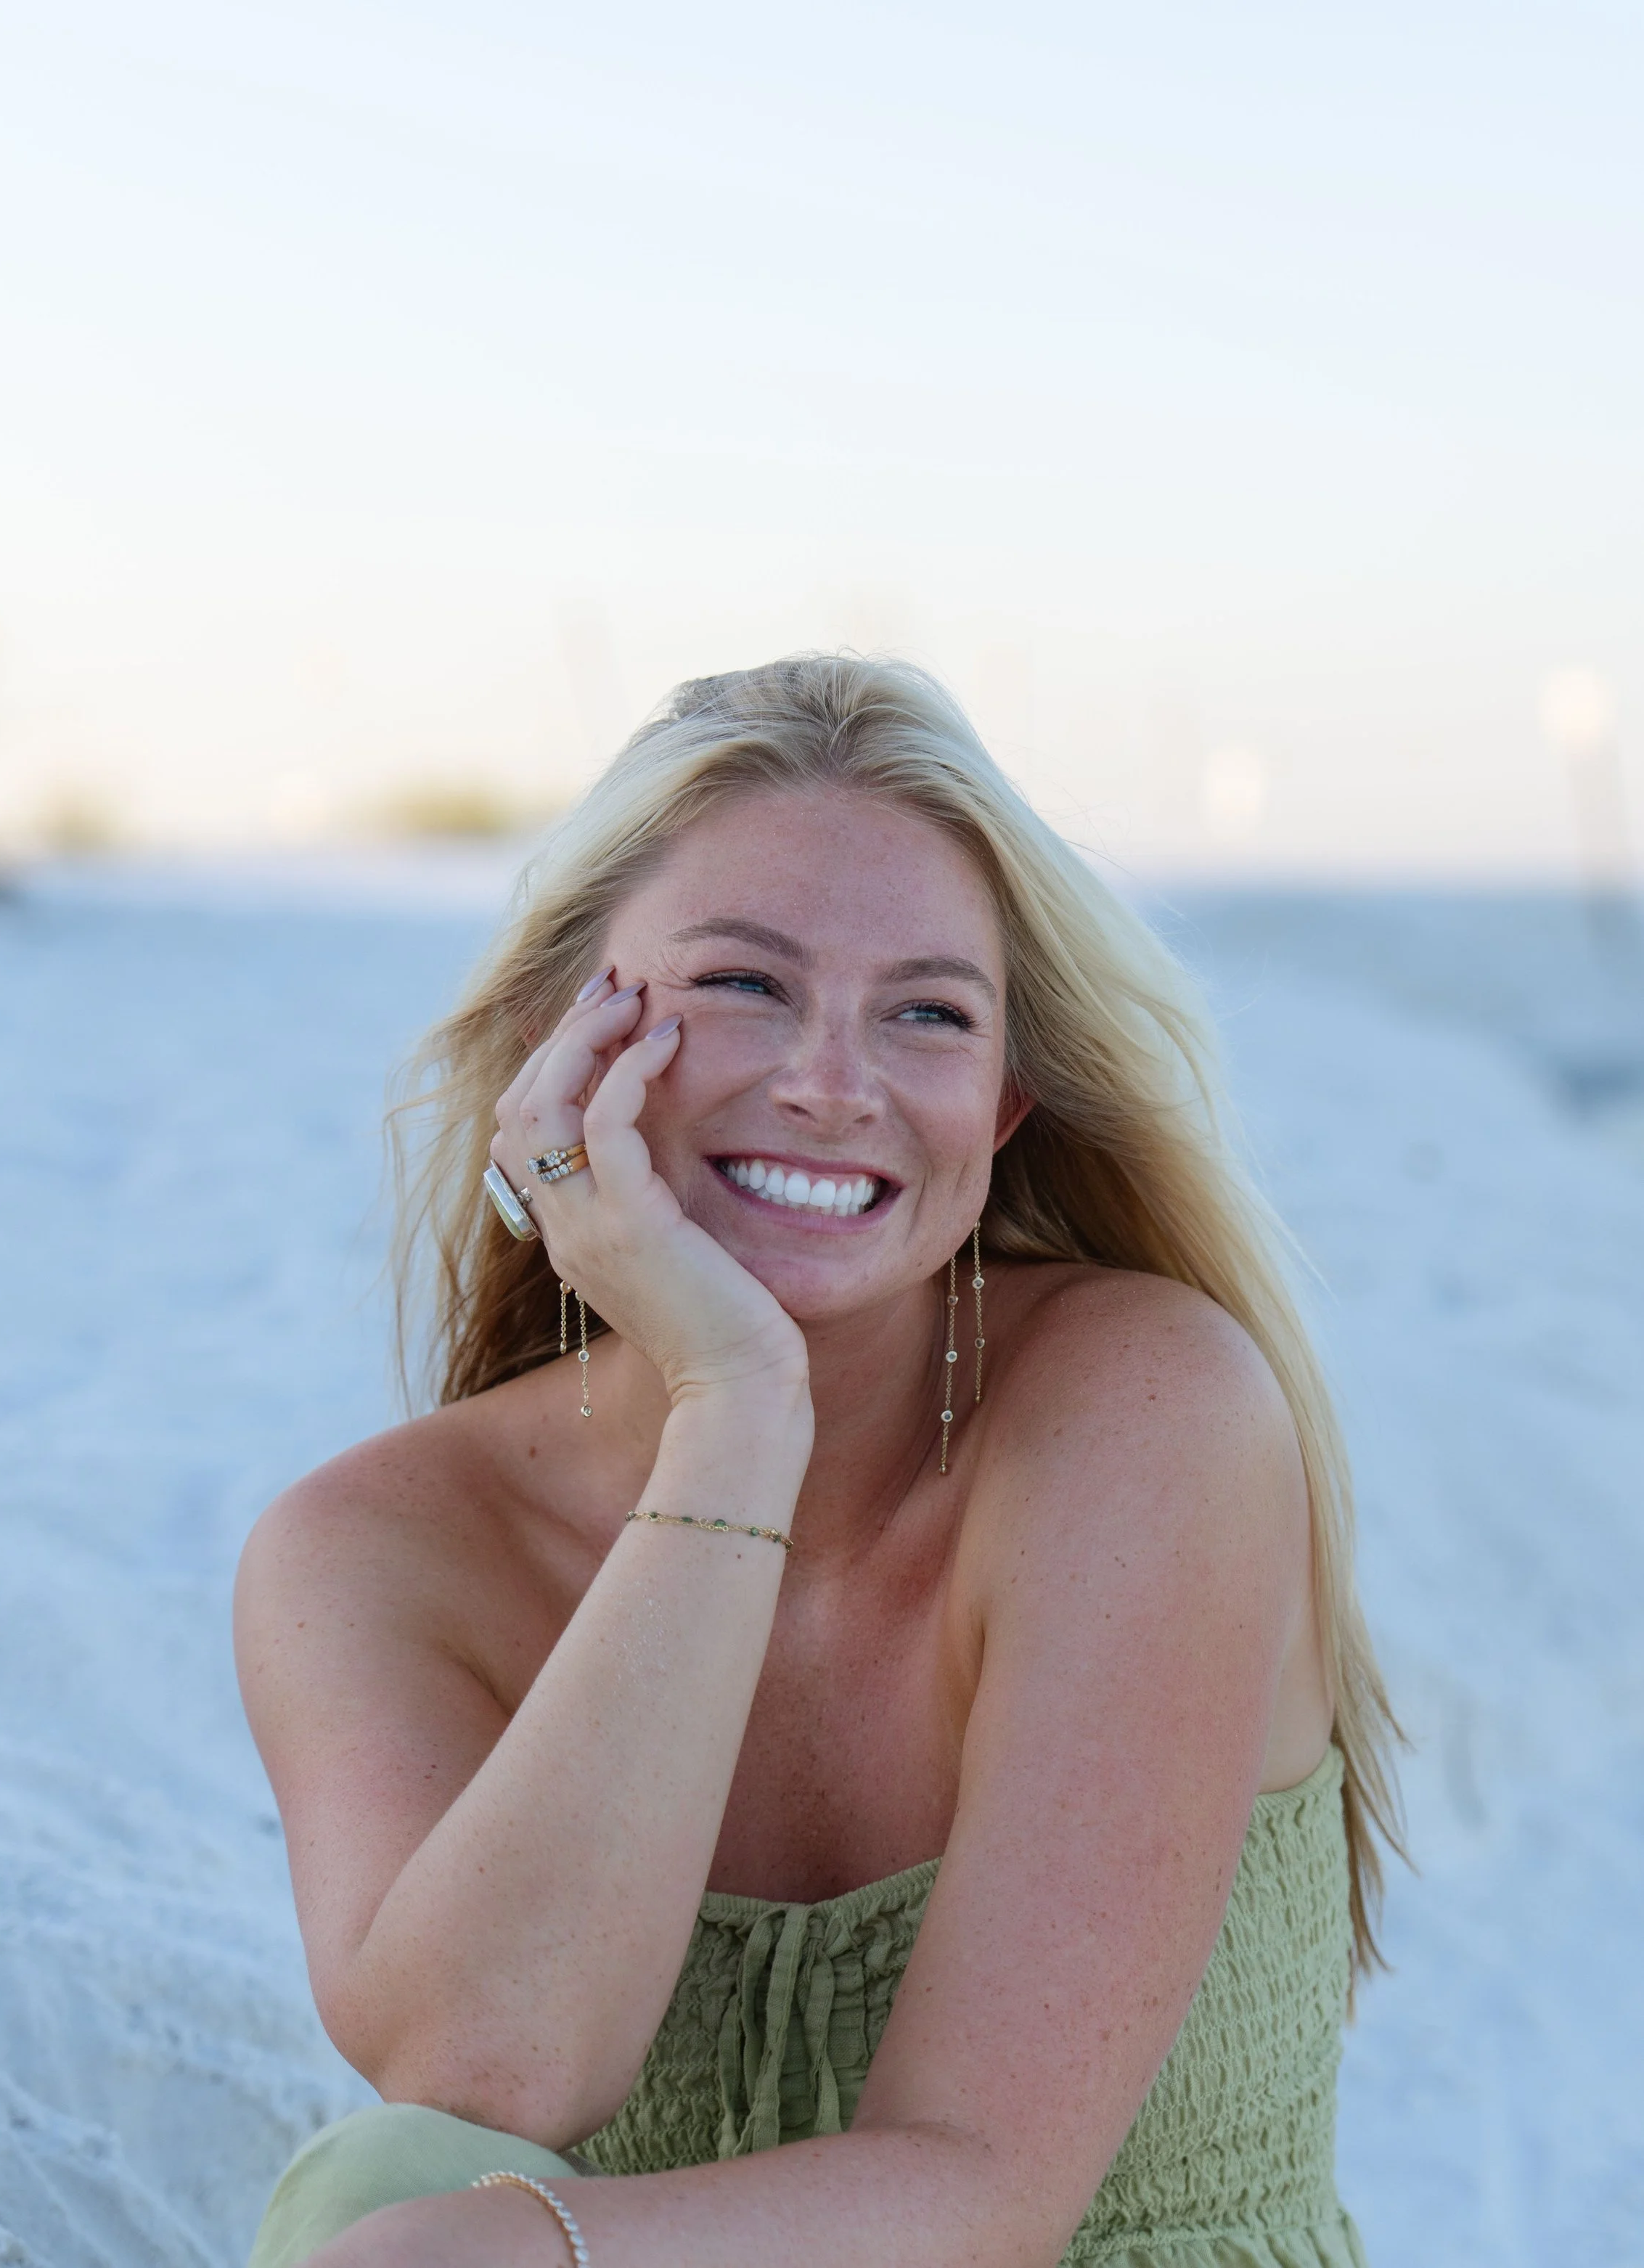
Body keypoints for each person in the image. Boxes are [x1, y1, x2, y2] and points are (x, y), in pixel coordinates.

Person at [235, 655, 1400, 2268]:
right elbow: (489, 2069)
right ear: (551, 1038)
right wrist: (731, 1404)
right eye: (740, 984)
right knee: (372, 2191)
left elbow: (982, 2189)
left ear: (999, 1106)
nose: (830, 1084)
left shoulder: (1143, 1411)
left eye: (925, 1011)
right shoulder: (372, 1553)